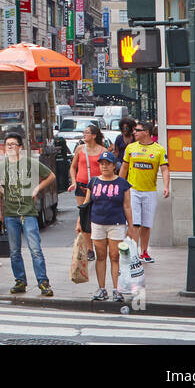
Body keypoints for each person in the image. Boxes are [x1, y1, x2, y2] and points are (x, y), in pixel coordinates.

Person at [0, 132, 56, 296]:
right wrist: (3, 192)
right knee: (14, 251)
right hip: (10, 213)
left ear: (20, 147)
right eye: (7, 144)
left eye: (13, 144)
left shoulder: (29, 163)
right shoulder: (1, 166)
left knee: (35, 249)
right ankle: (20, 281)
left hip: (28, 212)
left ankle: (43, 282)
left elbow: (50, 176)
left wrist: (36, 188)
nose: (10, 147)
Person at [79, 150, 133, 301]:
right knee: (100, 256)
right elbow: (86, 203)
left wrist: (131, 226)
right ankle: (102, 289)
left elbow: (127, 206)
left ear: (114, 165)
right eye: (102, 164)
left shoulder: (123, 184)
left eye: (107, 164)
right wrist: (80, 222)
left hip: (116, 223)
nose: (104, 166)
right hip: (97, 223)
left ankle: (117, 289)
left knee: (115, 256)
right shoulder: (94, 181)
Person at [122, 120, 169, 262]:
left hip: (150, 191)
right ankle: (134, 252)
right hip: (133, 190)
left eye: (138, 130)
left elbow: (165, 169)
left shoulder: (159, 150)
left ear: (146, 132)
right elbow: (124, 167)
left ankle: (144, 252)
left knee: (146, 224)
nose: (134, 132)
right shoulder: (130, 148)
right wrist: (119, 184)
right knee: (135, 223)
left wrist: (166, 186)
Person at [70, 123, 110, 261]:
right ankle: (89, 249)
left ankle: (99, 243)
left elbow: (108, 169)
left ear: (94, 135)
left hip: (97, 185)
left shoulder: (103, 150)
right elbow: (73, 167)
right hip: (81, 185)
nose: (84, 135)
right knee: (84, 214)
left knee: (97, 215)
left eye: (87, 132)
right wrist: (74, 182)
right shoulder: (80, 149)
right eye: (84, 132)